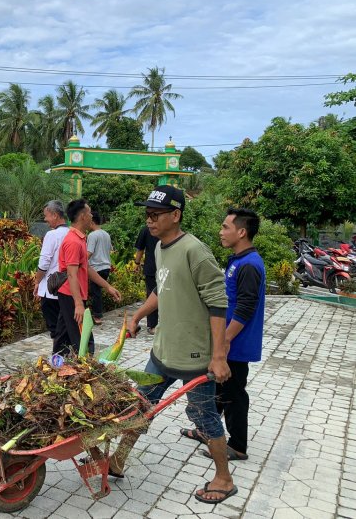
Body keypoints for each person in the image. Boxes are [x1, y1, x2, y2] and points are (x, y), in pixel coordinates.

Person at [110, 185, 237, 505]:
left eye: (156, 215)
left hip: (194, 356)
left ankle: (224, 477)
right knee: (140, 407)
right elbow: (161, 290)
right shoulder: (160, 247)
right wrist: (137, 314)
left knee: (203, 416)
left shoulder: (195, 250)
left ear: (176, 215)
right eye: (147, 215)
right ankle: (118, 460)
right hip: (162, 351)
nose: (149, 221)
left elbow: (218, 302)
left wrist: (219, 355)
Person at [181, 207, 265, 462]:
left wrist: (225, 340)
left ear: (241, 232)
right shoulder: (239, 260)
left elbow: (245, 307)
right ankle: (207, 430)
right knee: (217, 389)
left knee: (234, 394)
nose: (221, 231)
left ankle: (238, 445)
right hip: (228, 341)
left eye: (225, 227)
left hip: (236, 345)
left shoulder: (249, 265)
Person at [54, 199, 121, 356]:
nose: (92, 215)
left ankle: (57, 365)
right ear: (83, 216)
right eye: (89, 212)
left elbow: (87, 268)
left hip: (70, 294)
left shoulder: (80, 239)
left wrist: (108, 287)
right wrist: (78, 304)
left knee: (63, 336)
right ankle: (87, 367)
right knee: (83, 338)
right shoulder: (73, 241)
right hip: (71, 295)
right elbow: (71, 274)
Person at [34, 200, 69, 339]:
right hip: (67, 288)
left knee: (55, 329)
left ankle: (59, 355)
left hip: (51, 289)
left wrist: (37, 281)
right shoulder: (72, 233)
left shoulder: (52, 235)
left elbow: (44, 262)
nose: (45, 219)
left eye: (46, 215)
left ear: (55, 215)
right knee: (65, 326)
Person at [87, 211, 112, 325]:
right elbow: (110, 250)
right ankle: (97, 313)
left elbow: (89, 253)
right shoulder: (106, 234)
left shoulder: (92, 235)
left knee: (95, 292)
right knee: (97, 292)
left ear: (92, 221)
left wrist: (79, 262)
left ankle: (97, 316)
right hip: (106, 267)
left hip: (96, 268)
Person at [134, 224, 160, 335]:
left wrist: (137, 263)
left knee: (151, 295)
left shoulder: (145, 229)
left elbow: (140, 248)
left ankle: (153, 326)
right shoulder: (165, 227)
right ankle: (155, 325)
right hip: (161, 267)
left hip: (151, 268)